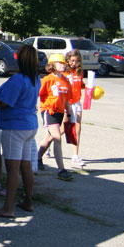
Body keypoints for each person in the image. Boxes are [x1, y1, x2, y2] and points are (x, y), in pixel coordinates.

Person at [0, 44, 41, 219]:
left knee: (12, 169)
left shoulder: (18, 79)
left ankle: (8, 208)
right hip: (29, 124)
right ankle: (28, 201)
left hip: (14, 126)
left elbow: (5, 101)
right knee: (26, 166)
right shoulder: (35, 78)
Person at [37, 53, 74, 181]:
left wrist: (69, 114)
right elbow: (38, 94)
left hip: (60, 112)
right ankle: (61, 170)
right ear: (52, 64)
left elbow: (68, 100)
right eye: (60, 63)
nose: (63, 66)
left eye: (64, 63)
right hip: (49, 111)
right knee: (57, 138)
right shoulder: (47, 79)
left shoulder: (66, 80)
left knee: (49, 138)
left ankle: (36, 159)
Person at [62, 49, 86, 167]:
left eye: (76, 61)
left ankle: (75, 155)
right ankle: (47, 144)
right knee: (63, 128)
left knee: (77, 127)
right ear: (68, 60)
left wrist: (90, 87)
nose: (74, 63)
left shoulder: (79, 72)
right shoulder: (64, 72)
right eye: (72, 60)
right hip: (67, 103)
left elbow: (81, 85)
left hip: (76, 102)